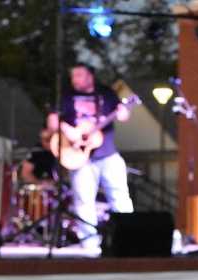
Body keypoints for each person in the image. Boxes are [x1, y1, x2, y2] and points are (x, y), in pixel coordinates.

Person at [46, 63, 134, 249]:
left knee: (120, 197)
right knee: (84, 202)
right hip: (79, 156)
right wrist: (69, 131)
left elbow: (123, 115)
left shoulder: (107, 93)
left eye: (79, 75)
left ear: (90, 76)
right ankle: (89, 244)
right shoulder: (66, 96)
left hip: (108, 153)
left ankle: (128, 238)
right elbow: (53, 120)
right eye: (73, 76)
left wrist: (124, 113)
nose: (75, 79)